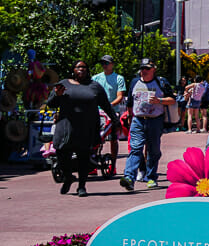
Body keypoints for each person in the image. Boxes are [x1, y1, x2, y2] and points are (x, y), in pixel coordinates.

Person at [48, 61, 118, 197]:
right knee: (62, 154)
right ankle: (68, 177)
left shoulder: (94, 86)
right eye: (78, 67)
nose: (81, 69)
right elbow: (51, 104)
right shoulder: (64, 84)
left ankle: (82, 186)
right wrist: (57, 95)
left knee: (83, 157)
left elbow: (106, 105)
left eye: (84, 67)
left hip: (86, 127)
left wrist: (115, 120)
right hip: (66, 127)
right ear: (73, 70)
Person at [119, 59, 176, 190]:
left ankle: (151, 177)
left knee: (153, 150)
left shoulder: (161, 82)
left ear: (153, 69)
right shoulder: (134, 82)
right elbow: (129, 103)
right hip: (137, 120)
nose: (143, 71)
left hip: (155, 120)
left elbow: (172, 100)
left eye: (147, 68)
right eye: (142, 68)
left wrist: (159, 100)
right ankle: (129, 177)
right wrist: (129, 117)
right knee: (135, 148)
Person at [91, 54, 125, 161]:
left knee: (113, 139)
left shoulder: (119, 78)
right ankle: (93, 162)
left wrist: (109, 106)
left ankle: (113, 164)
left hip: (112, 112)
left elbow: (120, 96)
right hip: (98, 112)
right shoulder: (95, 78)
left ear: (112, 64)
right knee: (95, 137)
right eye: (102, 63)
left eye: (106, 63)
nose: (104, 65)